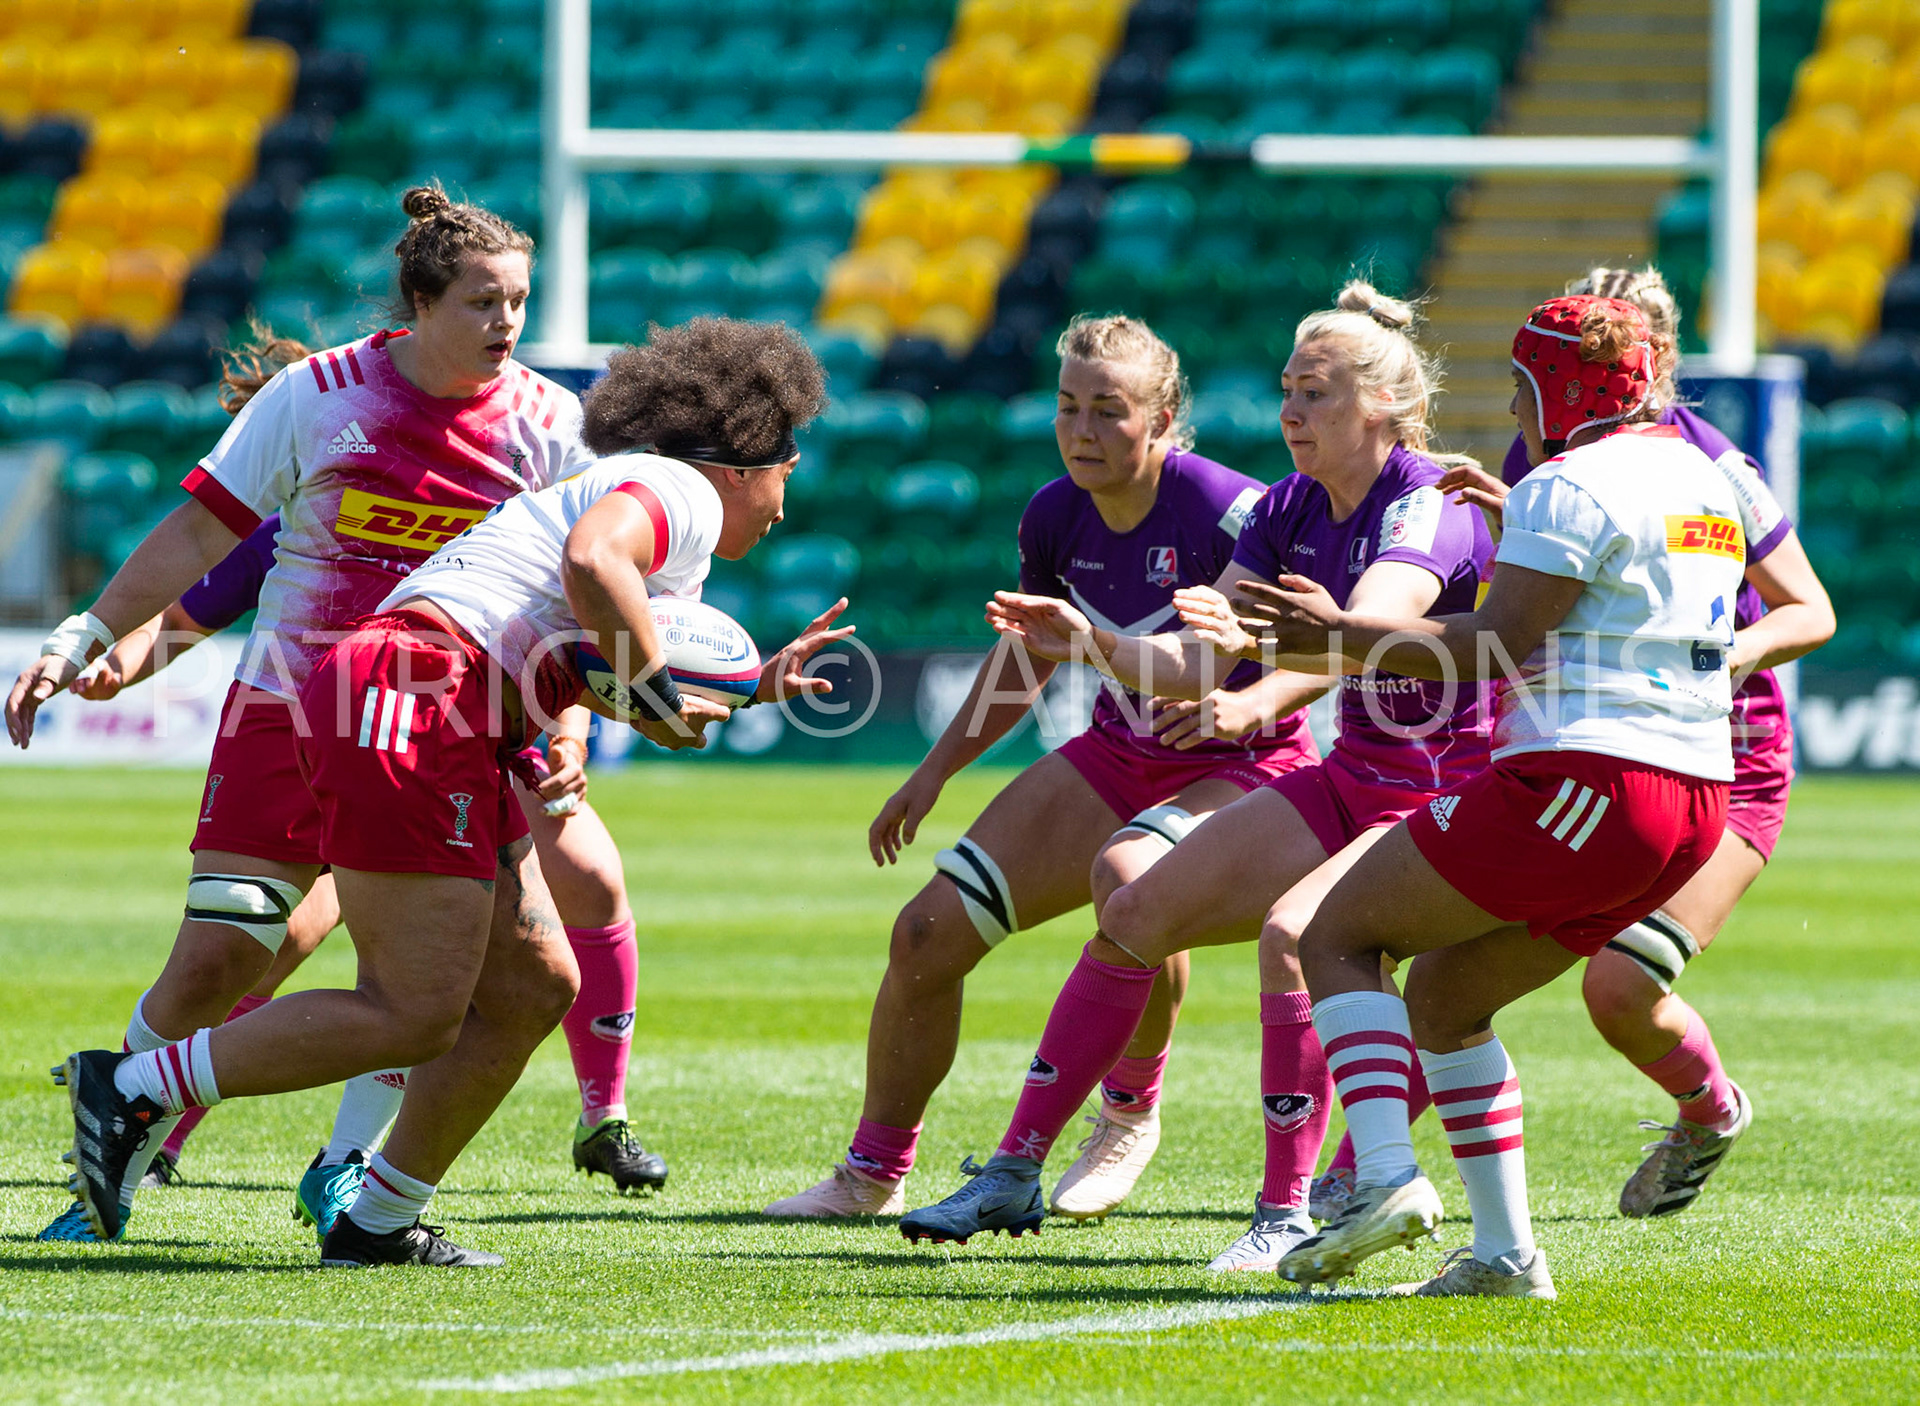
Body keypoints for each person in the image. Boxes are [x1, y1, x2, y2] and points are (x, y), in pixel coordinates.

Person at [51, 317, 847, 1266]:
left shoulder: (665, 521)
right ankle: (136, 1087)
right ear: (740, 461)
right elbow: (594, 565)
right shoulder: (682, 493)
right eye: (788, 473)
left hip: (436, 704)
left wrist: (742, 686)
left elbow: (588, 637)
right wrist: (660, 696)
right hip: (416, 696)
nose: (785, 506)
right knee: (413, 1008)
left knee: (532, 984)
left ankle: (376, 1220)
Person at [11, 186, 601, 1244]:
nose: (506, 323)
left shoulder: (554, 425)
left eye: (517, 300)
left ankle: (355, 1182)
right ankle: (111, 1170)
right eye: (480, 300)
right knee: (229, 948)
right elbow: (202, 536)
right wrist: (86, 635)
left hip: (455, 722)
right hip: (292, 705)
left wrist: (567, 732)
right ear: (418, 302)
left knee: (498, 975)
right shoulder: (317, 394)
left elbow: (576, 595)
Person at [900, 283, 1493, 1267]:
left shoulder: (1423, 503)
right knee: (1135, 908)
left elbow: (1377, 626)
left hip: (1453, 798)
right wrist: (1088, 639)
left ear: (1382, 406)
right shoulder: (1293, 507)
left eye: (1317, 393)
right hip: (1358, 780)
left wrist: (1276, 668)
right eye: (1286, 391)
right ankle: (1013, 1167)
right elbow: (1196, 661)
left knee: (1300, 941)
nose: (1290, 413)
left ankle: (1287, 1210)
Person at [1250, 293, 1824, 1298]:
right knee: (1446, 994)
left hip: (1583, 778)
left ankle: (1383, 1176)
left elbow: (1487, 647)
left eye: (1519, 390)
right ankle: (1506, 1254)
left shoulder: (1568, 481)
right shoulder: (1713, 472)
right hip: (1696, 799)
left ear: (1552, 390)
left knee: (1333, 934)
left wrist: (1330, 635)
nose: (1514, 414)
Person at [764, 315, 1325, 1222]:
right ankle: (872, 1172)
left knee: (1132, 893)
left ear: (1164, 417)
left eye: (1109, 411)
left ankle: (1128, 1114)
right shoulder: (1054, 514)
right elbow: (1030, 659)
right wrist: (934, 772)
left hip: (1245, 766)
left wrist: (1254, 703)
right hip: (1118, 754)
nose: (1082, 432)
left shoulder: (1234, 511)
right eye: (1069, 408)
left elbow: (1325, 644)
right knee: (925, 935)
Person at [48, 514, 672, 1225]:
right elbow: (197, 604)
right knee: (280, 950)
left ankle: (386, 1158)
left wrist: (568, 736)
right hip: (334, 719)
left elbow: (577, 629)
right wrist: (114, 665)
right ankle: (148, 1135)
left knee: (549, 915)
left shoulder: (523, 502)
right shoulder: (322, 500)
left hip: (464, 735)